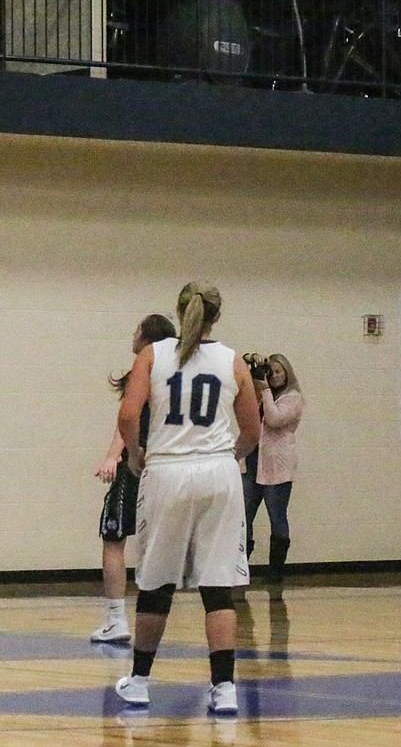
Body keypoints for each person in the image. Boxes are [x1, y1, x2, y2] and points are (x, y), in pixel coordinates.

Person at [112, 282, 260, 714]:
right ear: (218, 315)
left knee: (156, 581)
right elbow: (252, 429)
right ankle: (225, 688)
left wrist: (136, 455)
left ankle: (139, 680)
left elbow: (127, 415)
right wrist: (229, 456)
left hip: (167, 471)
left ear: (179, 311)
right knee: (219, 587)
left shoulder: (153, 355)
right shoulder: (233, 360)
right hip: (218, 472)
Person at [90, 314, 176, 644]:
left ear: (147, 338)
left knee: (113, 536)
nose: (132, 334)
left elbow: (128, 420)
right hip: (174, 466)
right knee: (159, 544)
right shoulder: (178, 373)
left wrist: (115, 456)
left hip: (140, 465)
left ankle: (116, 619)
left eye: (136, 329)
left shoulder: (144, 370)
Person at [243, 354, 304, 583]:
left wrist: (266, 391)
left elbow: (274, 419)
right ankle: (240, 567)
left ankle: (275, 572)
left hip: (277, 466)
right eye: (271, 371)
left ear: (287, 373)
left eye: (279, 371)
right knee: (243, 516)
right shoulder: (261, 395)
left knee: (276, 516)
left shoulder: (293, 398)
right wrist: (251, 364)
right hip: (252, 462)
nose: (275, 376)